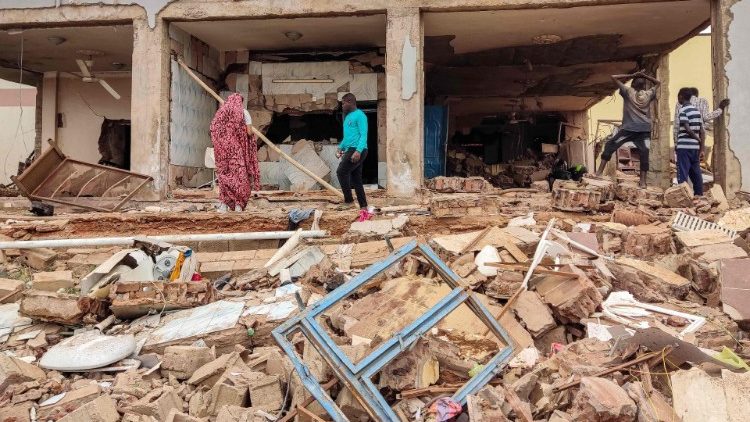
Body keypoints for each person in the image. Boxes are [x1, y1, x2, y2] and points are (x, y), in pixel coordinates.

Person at [595, 71, 661, 188]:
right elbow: (658, 83)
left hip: (629, 129)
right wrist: (645, 76)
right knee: (644, 153)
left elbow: (613, 76)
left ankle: (599, 172)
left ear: (633, 84)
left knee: (610, 144)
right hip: (644, 130)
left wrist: (633, 75)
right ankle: (643, 182)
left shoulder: (628, 92)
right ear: (643, 86)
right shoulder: (648, 94)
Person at [336, 93, 371, 221]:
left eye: (343, 103)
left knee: (341, 172)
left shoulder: (360, 116)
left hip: (358, 150)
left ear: (350, 102)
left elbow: (363, 135)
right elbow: (347, 138)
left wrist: (358, 151)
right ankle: (363, 206)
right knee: (356, 179)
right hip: (350, 149)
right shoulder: (347, 117)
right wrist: (340, 148)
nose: (342, 106)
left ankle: (349, 201)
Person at [675, 87, 706, 196]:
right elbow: (702, 131)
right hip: (695, 148)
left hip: (684, 147)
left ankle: (683, 197)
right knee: (696, 173)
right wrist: (702, 148)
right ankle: (699, 196)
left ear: (681, 97)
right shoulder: (697, 111)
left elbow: (687, 129)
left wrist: (697, 138)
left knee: (682, 173)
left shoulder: (682, 110)